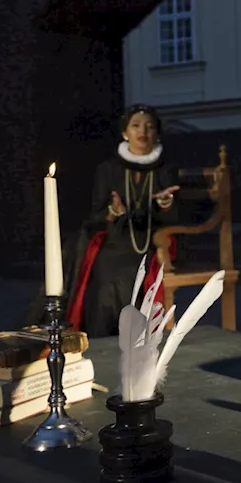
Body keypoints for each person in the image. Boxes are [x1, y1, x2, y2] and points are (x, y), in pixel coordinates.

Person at [63, 104, 181, 337]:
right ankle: (102, 342)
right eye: (136, 125)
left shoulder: (166, 170)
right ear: (125, 133)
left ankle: (137, 342)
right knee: (106, 278)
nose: (143, 131)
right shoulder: (107, 170)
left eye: (149, 126)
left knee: (133, 275)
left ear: (156, 133)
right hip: (115, 242)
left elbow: (177, 217)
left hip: (151, 244)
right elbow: (96, 216)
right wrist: (112, 211)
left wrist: (166, 204)